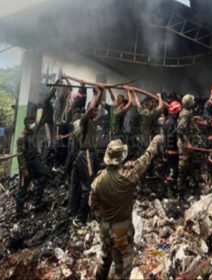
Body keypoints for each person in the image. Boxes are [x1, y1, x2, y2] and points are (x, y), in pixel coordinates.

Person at [89, 134, 163, 280]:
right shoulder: (129, 175)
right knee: (122, 268)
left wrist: (104, 215)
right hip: (122, 233)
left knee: (104, 260)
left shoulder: (98, 181)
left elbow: (92, 205)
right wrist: (155, 141)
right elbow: (147, 158)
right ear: (122, 157)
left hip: (105, 230)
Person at [69, 87, 104, 227]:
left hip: (83, 156)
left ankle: (76, 212)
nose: (96, 112)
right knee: (87, 188)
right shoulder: (84, 122)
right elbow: (91, 110)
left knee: (79, 185)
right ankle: (80, 219)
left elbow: (94, 109)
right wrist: (97, 96)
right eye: (94, 111)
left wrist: (99, 94)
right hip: (86, 155)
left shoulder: (89, 123)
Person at [16, 116, 48, 219]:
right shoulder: (21, 137)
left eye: (34, 123)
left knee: (44, 175)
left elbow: (34, 150)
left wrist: (41, 159)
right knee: (22, 190)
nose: (34, 125)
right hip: (26, 165)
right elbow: (20, 155)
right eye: (32, 123)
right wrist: (24, 170)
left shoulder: (31, 135)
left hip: (34, 163)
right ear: (27, 124)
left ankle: (36, 202)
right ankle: (19, 214)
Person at [177, 94, 200, 195]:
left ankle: (188, 184)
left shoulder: (187, 112)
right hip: (184, 145)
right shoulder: (186, 114)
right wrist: (187, 143)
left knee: (190, 163)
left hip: (189, 142)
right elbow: (180, 130)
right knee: (183, 166)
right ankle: (179, 191)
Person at [162, 101, 182, 189]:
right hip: (172, 150)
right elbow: (170, 137)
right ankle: (171, 190)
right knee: (172, 171)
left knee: (173, 169)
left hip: (170, 150)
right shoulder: (171, 123)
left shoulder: (169, 121)